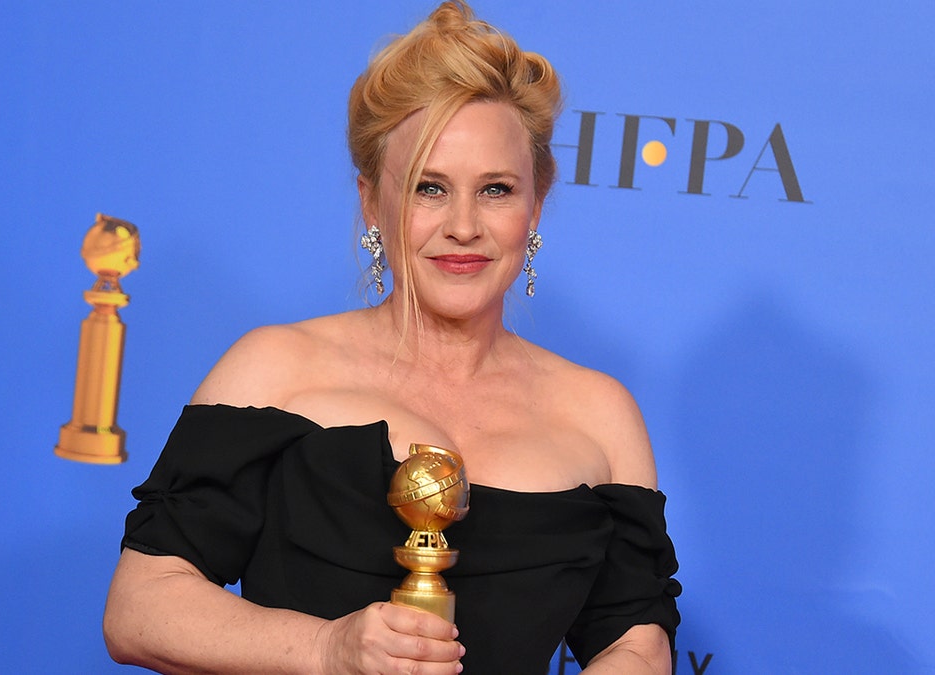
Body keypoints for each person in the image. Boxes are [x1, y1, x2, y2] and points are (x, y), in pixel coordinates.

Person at [103, 2, 680, 672]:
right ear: (373, 201)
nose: (464, 226)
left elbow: (637, 636)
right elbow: (140, 606)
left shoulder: (601, 414)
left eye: (495, 189)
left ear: (536, 205)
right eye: (428, 188)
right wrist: (326, 648)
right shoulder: (276, 371)